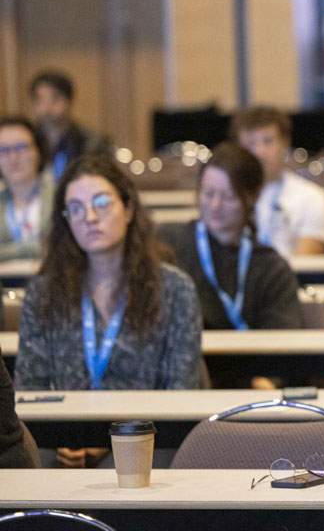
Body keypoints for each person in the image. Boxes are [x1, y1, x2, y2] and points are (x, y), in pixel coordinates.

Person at [15, 154, 203, 466]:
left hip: (148, 438)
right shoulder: (43, 291)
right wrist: (66, 437)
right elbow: (29, 389)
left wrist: (108, 442)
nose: (89, 216)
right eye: (75, 208)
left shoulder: (175, 289)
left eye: (101, 202)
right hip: (62, 437)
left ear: (128, 209)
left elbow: (181, 393)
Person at [157, 142, 302, 331]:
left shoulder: (271, 268)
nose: (215, 205)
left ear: (253, 197)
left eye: (228, 197)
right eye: (208, 194)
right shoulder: (167, 244)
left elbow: (282, 341)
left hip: (252, 359)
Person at [233, 106, 324, 257]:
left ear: (285, 142)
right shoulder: (226, 197)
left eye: (268, 141)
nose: (259, 152)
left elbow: (307, 265)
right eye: (250, 144)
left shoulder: (311, 197)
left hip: (289, 278)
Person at [28, 71, 111, 179]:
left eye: (54, 98)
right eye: (40, 99)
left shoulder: (93, 141)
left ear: (69, 101)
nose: (46, 107)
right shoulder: (27, 140)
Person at [0, 117, 56, 261]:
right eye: (4, 150)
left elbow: (61, 248)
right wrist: (27, 249)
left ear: (38, 151)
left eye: (21, 147)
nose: (13, 158)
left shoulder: (60, 197)